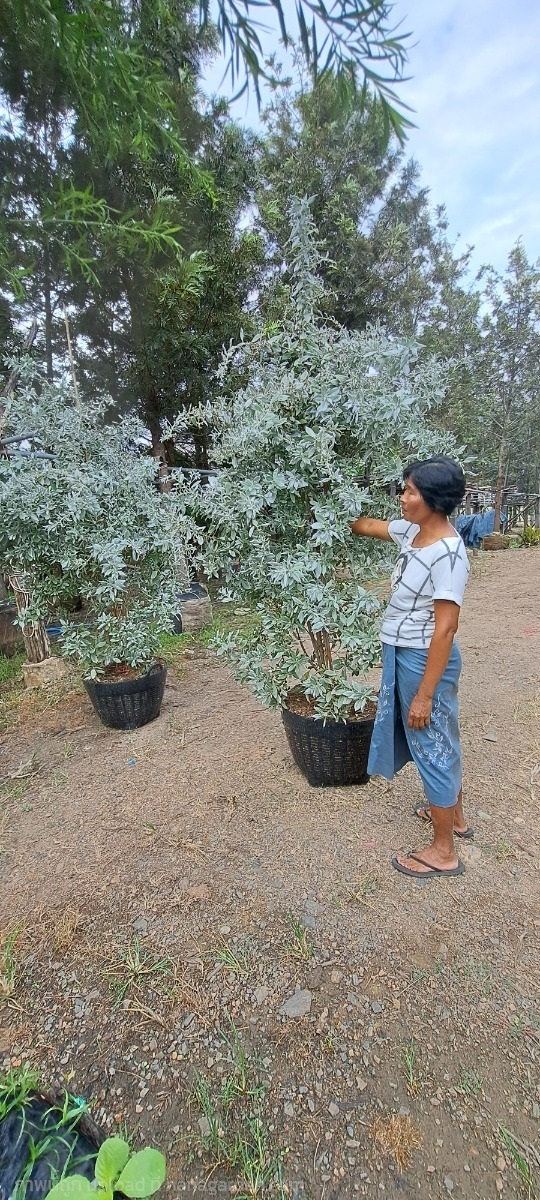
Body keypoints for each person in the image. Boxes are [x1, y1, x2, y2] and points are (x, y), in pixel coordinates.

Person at [351, 456, 471, 879]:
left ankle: (443, 852)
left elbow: (446, 629)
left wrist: (423, 693)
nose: (402, 498)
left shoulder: (448, 555)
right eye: (403, 489)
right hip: (408, 653)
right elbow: (368, 526)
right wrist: (337, 511)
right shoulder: (414, 533)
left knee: (430, 742)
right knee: (442, 736)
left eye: (410, 492)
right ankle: (454, 818)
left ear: (434, 500)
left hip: (423, 659)